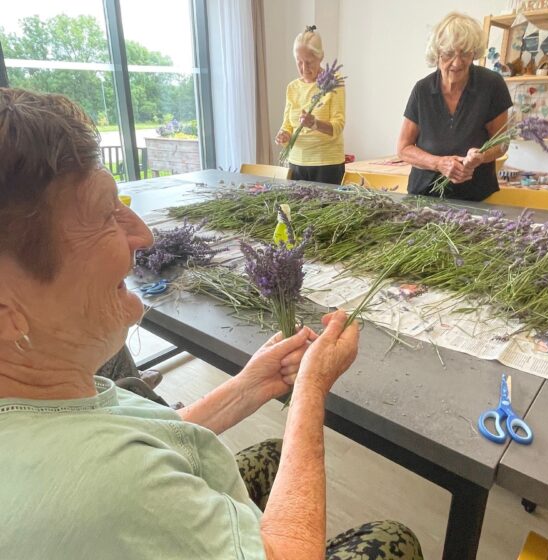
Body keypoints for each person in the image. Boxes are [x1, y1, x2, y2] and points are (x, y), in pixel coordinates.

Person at [0, 88, 423, 559]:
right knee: (394, 540)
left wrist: (249, 385)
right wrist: (311, 388)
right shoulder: (112, 484)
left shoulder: (43, 399)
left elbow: (153, 433)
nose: (143, 234)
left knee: (274, 452)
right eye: (104, 213)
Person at [397, 12, 513, 201]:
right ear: (437, 53)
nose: (457, 63)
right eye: (449, 54)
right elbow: (404, 148)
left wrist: (481, 156)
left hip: (476, 197)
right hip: (424, 196)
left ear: (474, 52)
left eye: (465, 53)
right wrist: (438, 163)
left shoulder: (491, 85)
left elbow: (502, 143)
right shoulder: (422, 90)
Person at [275, 25, 346, 185]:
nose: (304, 68)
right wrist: (284, 135)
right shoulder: (292, 87)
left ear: (320, 57)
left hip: (326, 165)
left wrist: (314, 123)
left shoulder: (333, 81)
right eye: (299, 62)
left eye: (309, 62)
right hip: (296, 164)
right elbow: (287, 125)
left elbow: (338, 126)